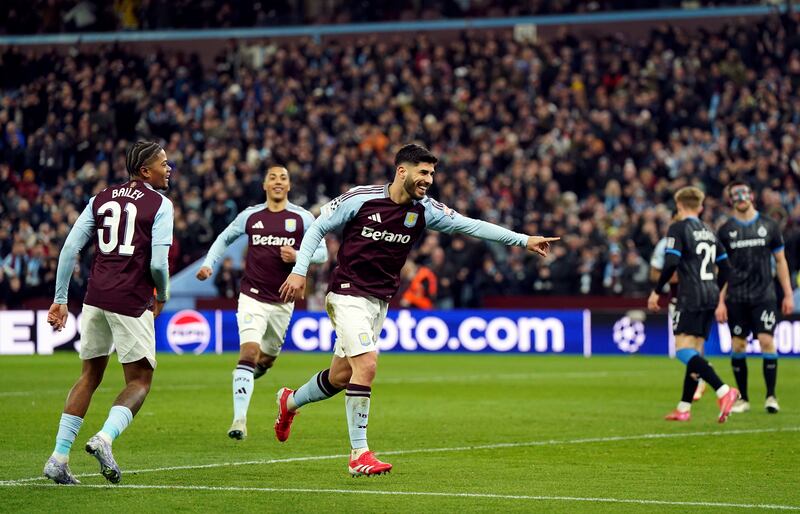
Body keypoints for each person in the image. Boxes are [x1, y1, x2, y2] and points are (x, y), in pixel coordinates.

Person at [275, 144, 558, 476]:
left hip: (379, 301)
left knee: (341, 377)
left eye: (432, 174)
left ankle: (289, 401)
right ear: (402, 171)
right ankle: (359, 454)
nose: (429, 179)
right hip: (347, 294)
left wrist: (523, 239)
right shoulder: (360, 199)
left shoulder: (426, 209)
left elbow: (471, 225)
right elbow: (318, 227)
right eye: (423, 172)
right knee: (367, 365)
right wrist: (299, 270)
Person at [43, 141, 173, 484]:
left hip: (95, 297)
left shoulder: (101, 197)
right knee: (140, 381)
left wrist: (60, 298)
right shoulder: (160, 203)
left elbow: (71, 247)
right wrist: (164, 293)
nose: (169, 168)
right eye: (163, 163)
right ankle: (104, 438)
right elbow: (159, 262)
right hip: (131, 300)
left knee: (90, 376)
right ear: (145, 171)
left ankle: (58, 457)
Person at [196, 166, 327, 440]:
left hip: (282, 301)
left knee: (265, 360)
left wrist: (300, 255)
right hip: (251, 297)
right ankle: (239, 420)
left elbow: (323, 252)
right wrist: (209, 264)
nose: (278, 182)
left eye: (283, 178)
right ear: (265, 185)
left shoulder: (302, 217)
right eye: (273, 178)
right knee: (249, 353)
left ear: (289, 186)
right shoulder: (251, 215)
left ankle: (243, 380)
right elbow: (224, 237)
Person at [648, 186, 739, 423]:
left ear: (678, 206)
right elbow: (727, 268)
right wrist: (716, 291)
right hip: (710, 295)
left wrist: (657, 291)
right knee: (695, 350)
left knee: (682, 351)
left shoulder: (678, 228)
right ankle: (684, 407)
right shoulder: (709, 231)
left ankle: (723, 390)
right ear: (699, 207)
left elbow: (670, 263)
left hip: (690, 296)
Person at [717, 181, 793, 414]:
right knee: (738, 345)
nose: (740, 197)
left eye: (744, 192)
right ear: (731, 200)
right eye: (735, 194)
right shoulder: (725, 230)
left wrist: (788, 294)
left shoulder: (769, 226)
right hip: (736, 296)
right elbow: (723, 269)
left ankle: (771, 396)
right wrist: (720, 301)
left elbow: (780, 261)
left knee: (766, 341)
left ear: (751, 195)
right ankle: (743, 399)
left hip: (764, 295)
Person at [649, 216, 706, 402]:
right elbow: (654, 272)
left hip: (698, 296)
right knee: (686, 345)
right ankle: (701, 379)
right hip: (677, 300)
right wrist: (678, 277)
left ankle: (704, 381)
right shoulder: (665, 244)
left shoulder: (702, 238)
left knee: (692, 344)